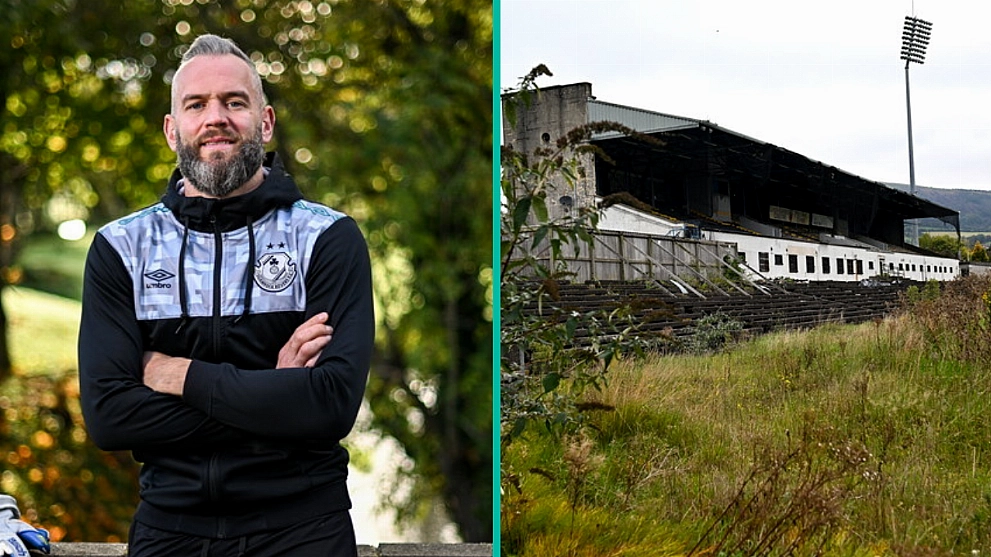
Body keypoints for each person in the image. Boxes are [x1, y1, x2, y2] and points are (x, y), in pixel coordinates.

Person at [77, 34, 374, 557]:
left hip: (303, 529)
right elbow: (110, 417)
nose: (216, 117)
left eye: (234, 102)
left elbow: (329, 407)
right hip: (170, 532)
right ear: (173, 130)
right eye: (196, 105)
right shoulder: (122, 248)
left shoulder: (326, 238)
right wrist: (274, 393)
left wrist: (179, 375)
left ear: (265, 122)